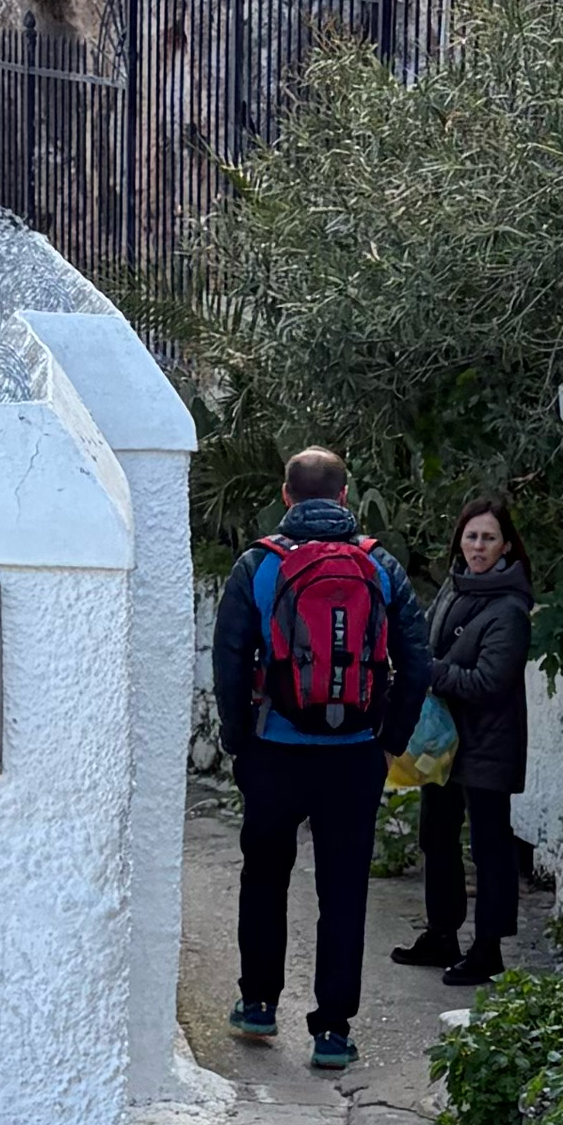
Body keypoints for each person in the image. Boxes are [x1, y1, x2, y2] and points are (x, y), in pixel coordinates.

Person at [212, 444, 431, 1064]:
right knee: (343, 891)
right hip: (354, 754)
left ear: (286, 496)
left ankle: (259, 1004)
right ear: (345, 496)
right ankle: (333, 1031)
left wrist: (239, 742)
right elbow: (418, 664)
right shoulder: (380, 565)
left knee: (264, 876)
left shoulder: (259, 565)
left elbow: (230, 663)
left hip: (275, 750)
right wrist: (389, 741)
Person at [392, 497, 535, 985]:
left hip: (489, 742)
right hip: (444, 743)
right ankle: (442, 934)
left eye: (489, 538)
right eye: (471, 536)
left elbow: (489, 682)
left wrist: (431, 672)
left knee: (490, 846)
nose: (478, 546)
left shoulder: (510, 610)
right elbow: (427, 643)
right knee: (436, 835)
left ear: (506, 546)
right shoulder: (454, 587)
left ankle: (488, 948)